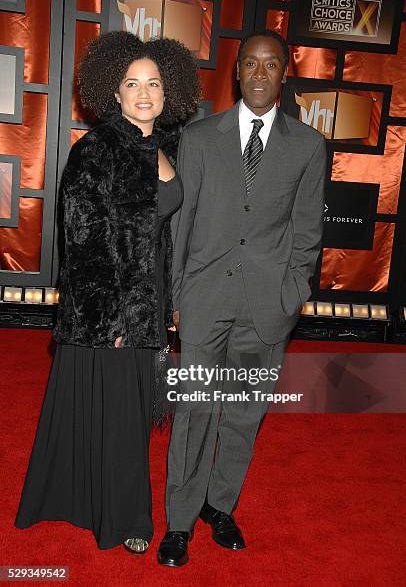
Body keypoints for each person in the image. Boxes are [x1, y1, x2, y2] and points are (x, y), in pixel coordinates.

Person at [15, 31, 200, 553]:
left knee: (128, 415)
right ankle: (129, 522)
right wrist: (111, 321)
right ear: (113, 92)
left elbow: (158, 237)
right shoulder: (97, 149)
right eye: (132, 83)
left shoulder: (162, 144)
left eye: (155, 83)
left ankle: (87, 500)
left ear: (170, 91)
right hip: (114, 318)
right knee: (120, 420)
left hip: (148, 309)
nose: (145, 93)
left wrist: (164, 309)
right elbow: (83, 242)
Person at [157, 30, 326, 566]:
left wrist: (292, 293)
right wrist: (177, 296)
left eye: (269, 64)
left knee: (244, 413)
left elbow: (307, 233)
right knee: (195, 412)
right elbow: (181, 223)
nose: (258, 73)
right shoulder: (200, 137)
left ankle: (220, 505)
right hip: (205, 300)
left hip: (266, 308)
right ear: (236, 71)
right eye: (249, 63)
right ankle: (180, 521)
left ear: (283, 75)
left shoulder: (308, 145)